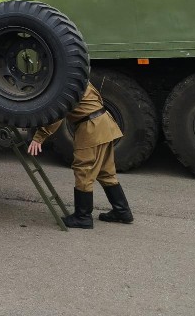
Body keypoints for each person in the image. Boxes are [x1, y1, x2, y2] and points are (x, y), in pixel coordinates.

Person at [27, 82, 134, 228]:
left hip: (91, 128)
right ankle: (122, 211)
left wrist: (39, 137)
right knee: (106, 172)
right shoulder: (79, 77)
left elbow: (59, 113)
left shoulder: (65, 83)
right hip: (104, 123)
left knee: (83, 171)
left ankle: (82, 217)